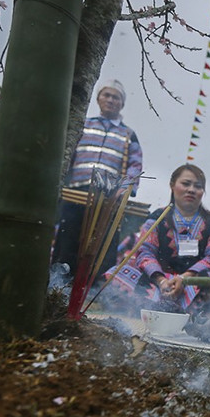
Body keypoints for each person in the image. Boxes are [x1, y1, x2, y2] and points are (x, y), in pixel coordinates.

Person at [53, 79, 144, 278]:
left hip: (108, 196)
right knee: (68, 236)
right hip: (76, 191)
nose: (111, 100)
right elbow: (67, 155)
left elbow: (135, 166)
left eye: (116, 97)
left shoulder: (128, 134)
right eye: (107, 95)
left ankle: (92, 285)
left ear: (122, 103)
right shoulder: (84, 125)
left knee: (101, 243)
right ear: (98, 98)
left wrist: (125, 189)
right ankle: (58, 284)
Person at [104, 164, 210, 313]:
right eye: (186, 184)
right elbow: (145, 251)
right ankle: (155, 307)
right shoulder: (157, 217)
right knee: (118, 272)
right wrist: (161, 281)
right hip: (158, 282)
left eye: (198, 186)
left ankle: (190, 313)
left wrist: (185, 278)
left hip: (195, 284)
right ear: (172, 185)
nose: (191, 190)